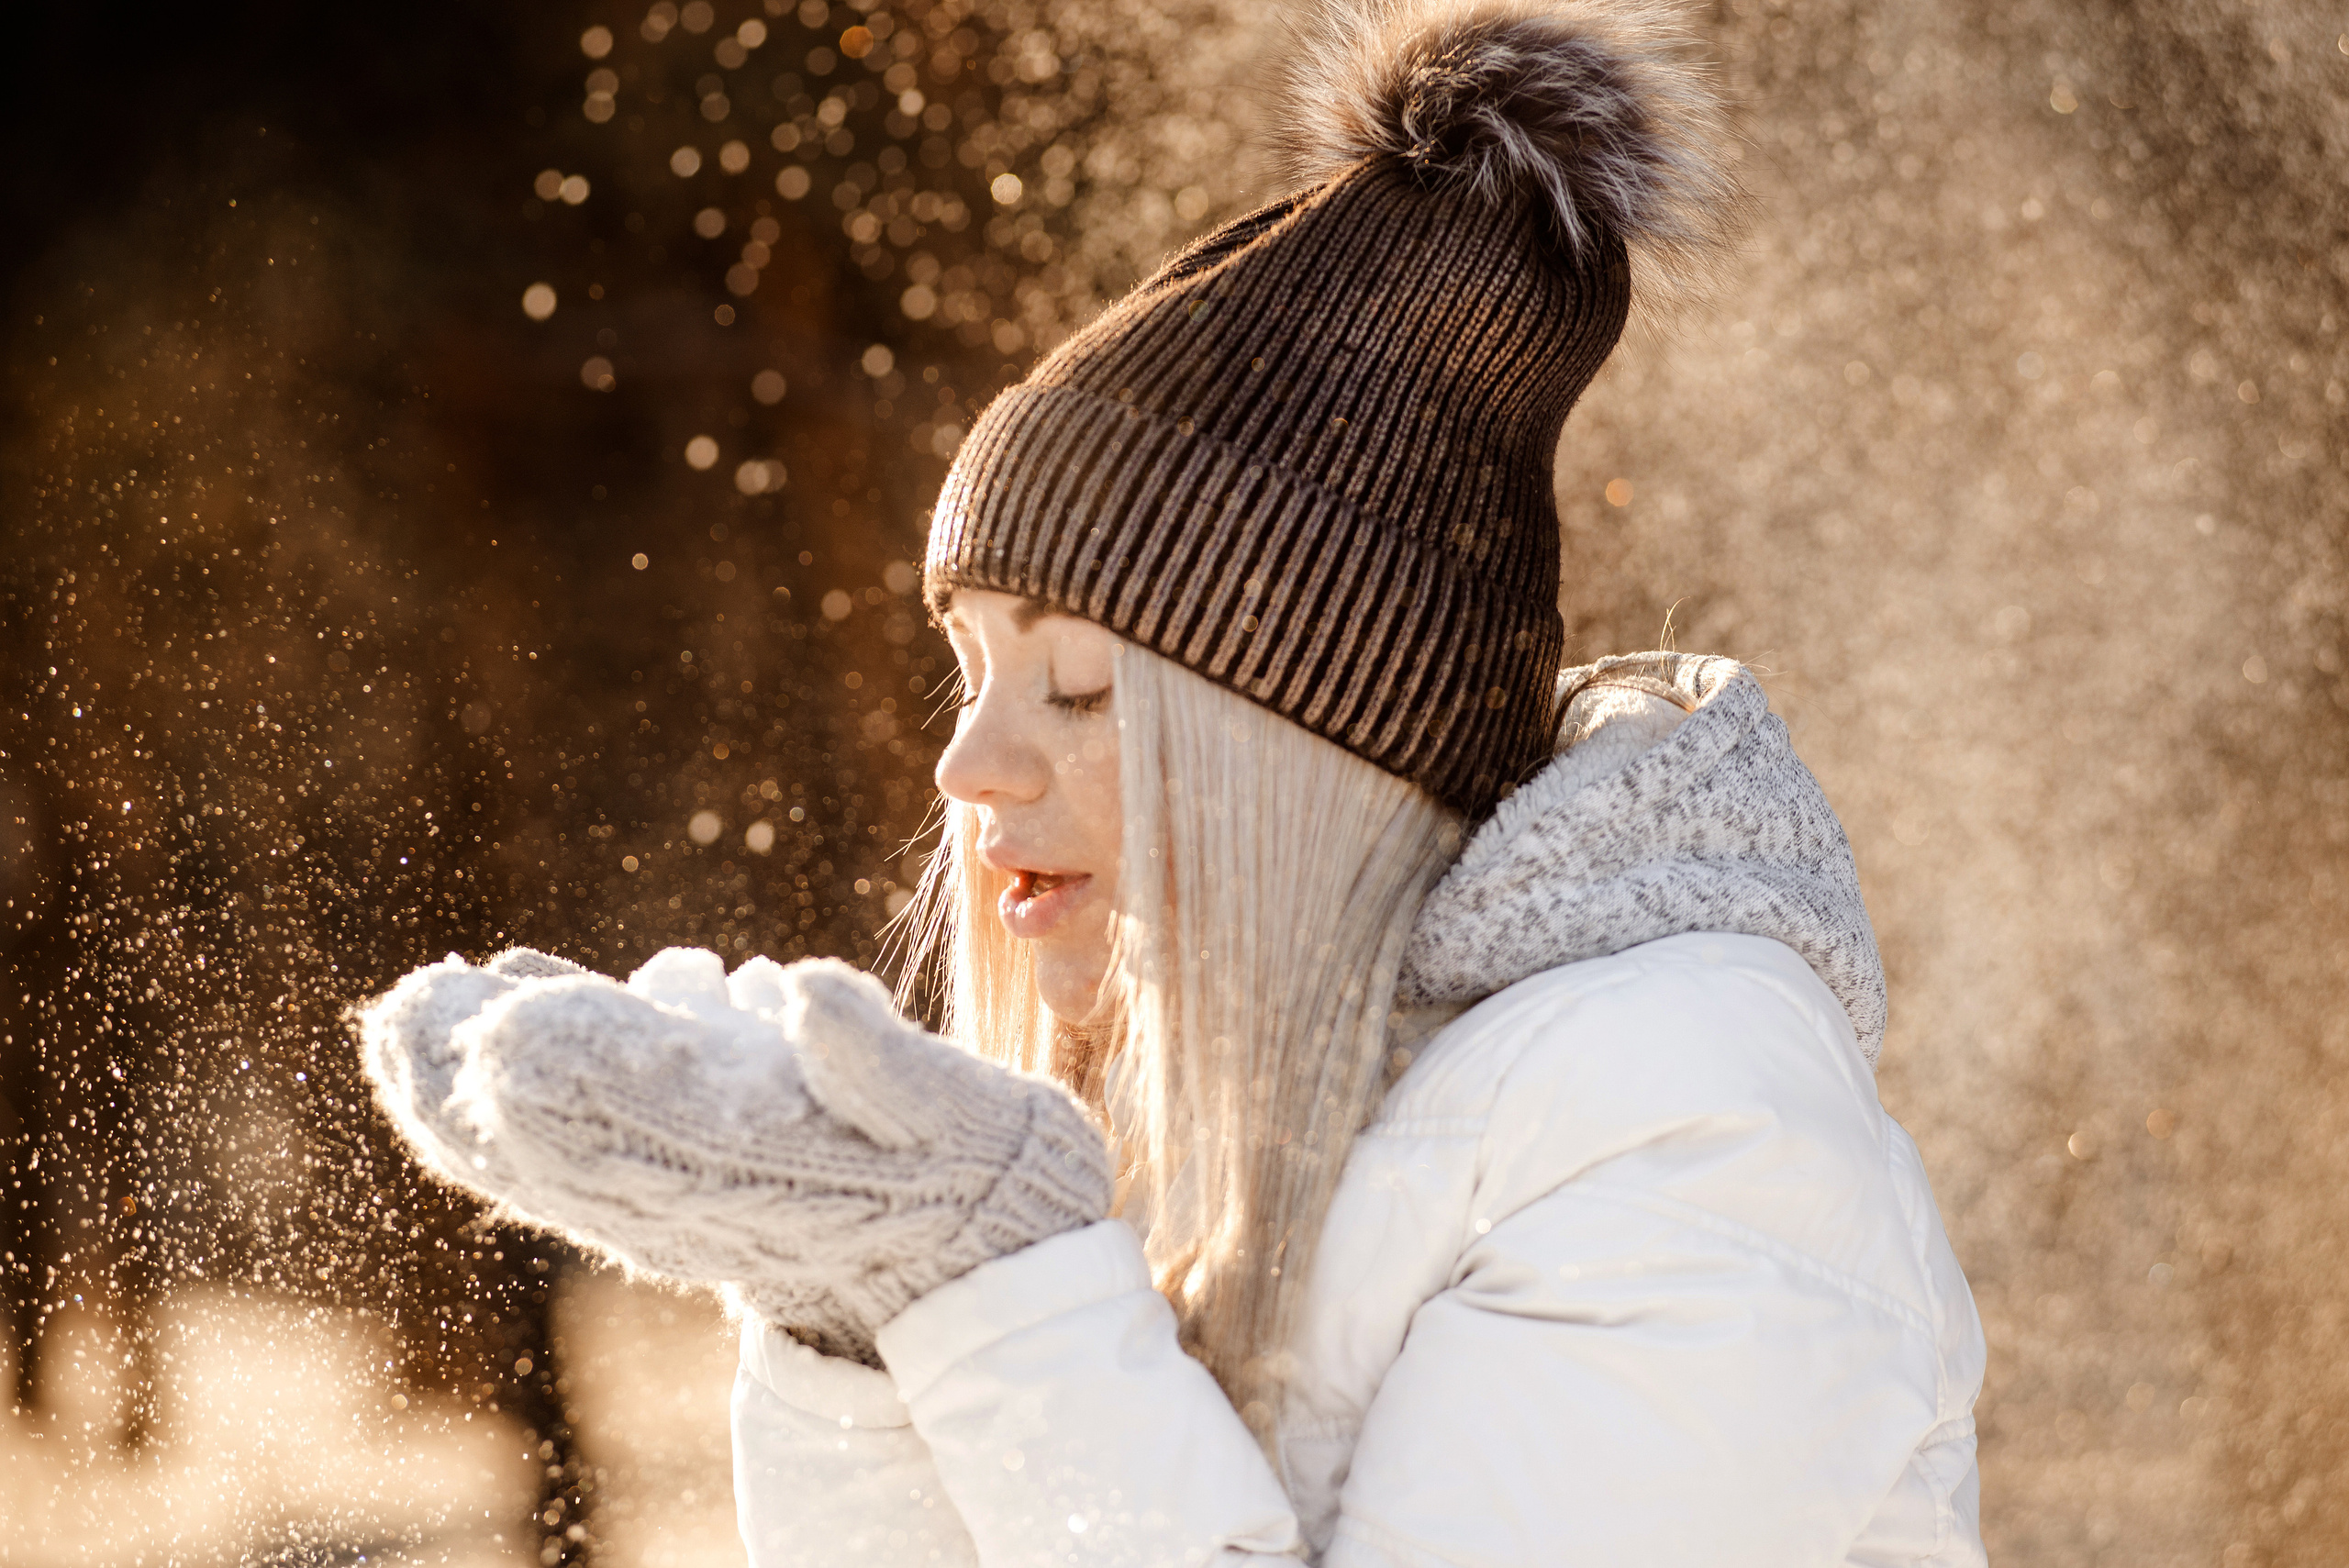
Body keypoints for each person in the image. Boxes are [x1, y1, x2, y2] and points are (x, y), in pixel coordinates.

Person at [357, 1, 1987, 1562]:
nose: (965, 760)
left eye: (1076, 687)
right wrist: (857, 1310)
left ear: (1307, 738)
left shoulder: (1692, 1124)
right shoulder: (1201, 1119)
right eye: (972, 669)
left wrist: (991, 1276)